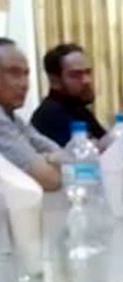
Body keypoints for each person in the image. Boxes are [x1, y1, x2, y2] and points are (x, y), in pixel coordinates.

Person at [0, 38, 61, 191]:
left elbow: (65, 157)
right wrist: (48, 159)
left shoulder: (14, 119)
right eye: (14, 73)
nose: (24, 84)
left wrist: (47, 159)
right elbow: (49, 179)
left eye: (26, 74)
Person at [31, 44, 107, 147]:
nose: (87, 80)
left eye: (88, 72)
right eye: (75, 75)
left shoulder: (78, 108)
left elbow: (106, 143)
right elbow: (84, 153)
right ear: (54, 80)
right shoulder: (50, 115)